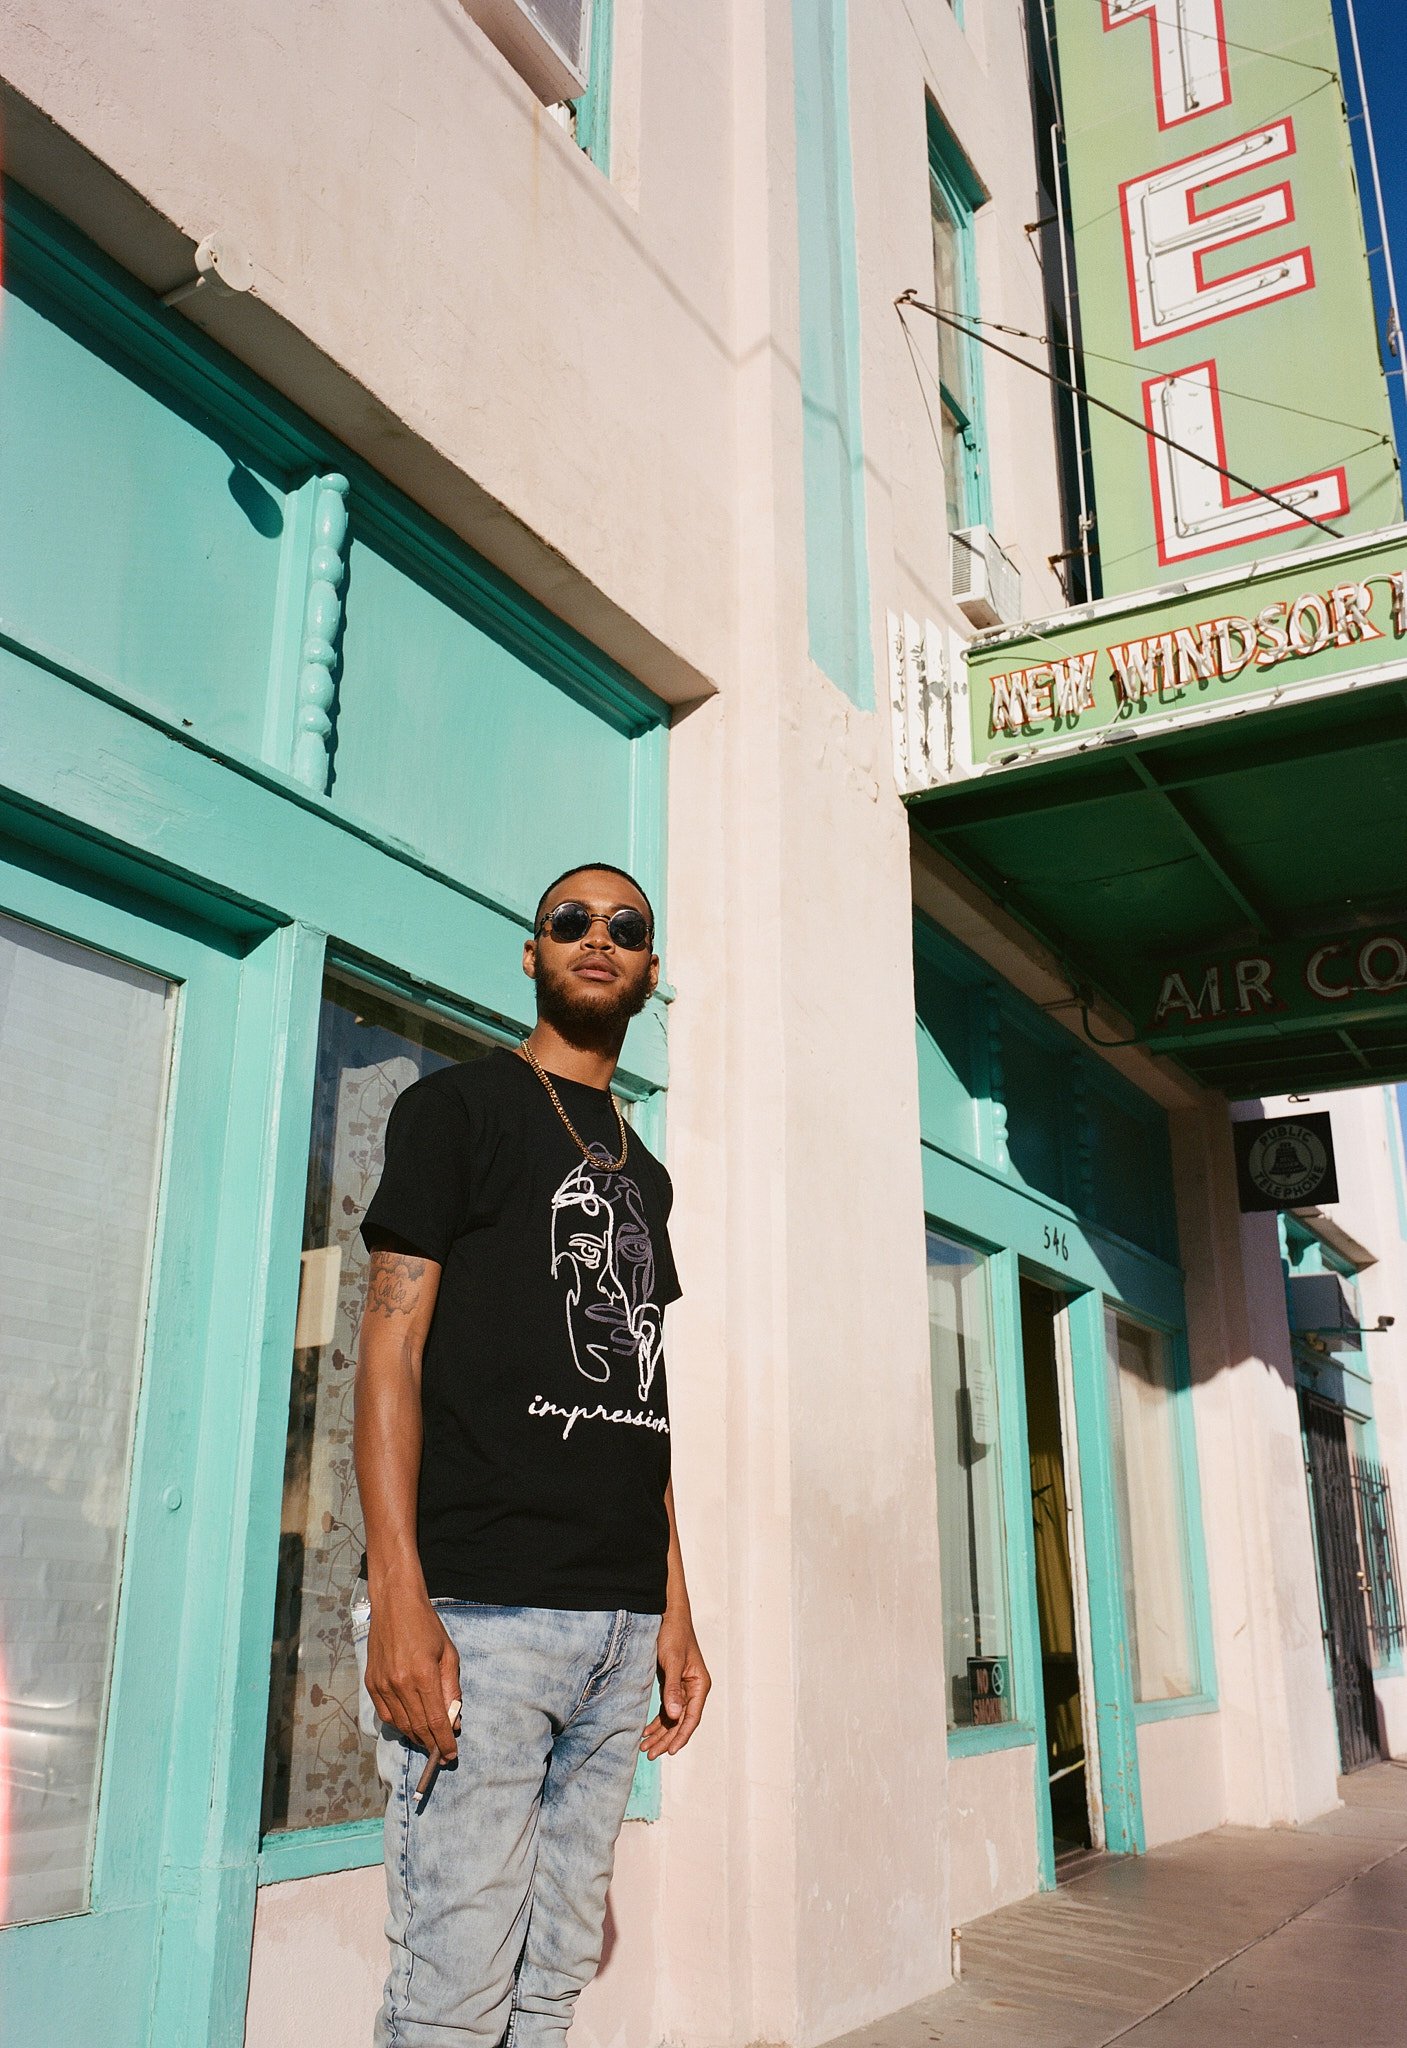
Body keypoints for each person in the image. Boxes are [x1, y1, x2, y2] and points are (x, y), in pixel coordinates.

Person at [352, 862, 709, 2048]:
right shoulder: (455, 1110)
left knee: (551, 1983)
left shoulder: (645, 1175)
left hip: (616, 1630)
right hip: (481, 1615)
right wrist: (396, 1591)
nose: (597, 938)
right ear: (532, 951)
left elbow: (644, 1403)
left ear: (651, 972)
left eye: (625, 928)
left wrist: (676, 1609)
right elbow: (390, 1354)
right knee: (452, 1993)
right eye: (570, 921)